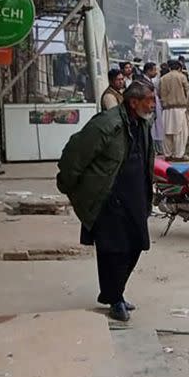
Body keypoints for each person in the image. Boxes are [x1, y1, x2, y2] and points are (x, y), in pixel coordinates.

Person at [57, 83, 156, 322]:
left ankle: (115, 292)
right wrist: (68, 183)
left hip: (135, 197)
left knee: (137, 245)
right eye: (150, 100)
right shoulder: (106, 124)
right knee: (113, 251)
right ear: (134, 102)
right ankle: (114, 299)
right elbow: (75, 153)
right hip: (109, 197)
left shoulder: (143, 123)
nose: (153, 105)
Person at [159, 60, 189, 160]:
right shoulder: (182, 77)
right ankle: (178, 155)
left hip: (166, 109)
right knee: (180, 134)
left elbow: (160, 93)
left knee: (167, 133)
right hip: (180, 109)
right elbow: (188, 92)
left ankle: (168, 154)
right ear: (179, 68)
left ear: (169, 68)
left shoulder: (163, 78)